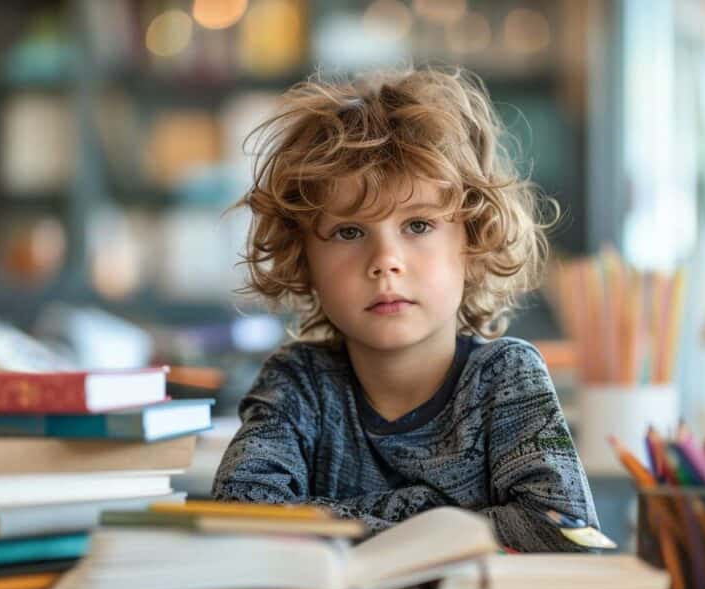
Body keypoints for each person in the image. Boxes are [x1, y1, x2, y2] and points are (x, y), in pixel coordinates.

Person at [211, 67, 597, 552]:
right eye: (349, 232)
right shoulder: (296, 384)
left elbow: (561, 530)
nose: (385, 262)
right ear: (303, 258)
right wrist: (451, 523)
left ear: (472, 240)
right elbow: (238, 516)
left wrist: (326, 520)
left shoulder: (507, 378)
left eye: (417, 226)